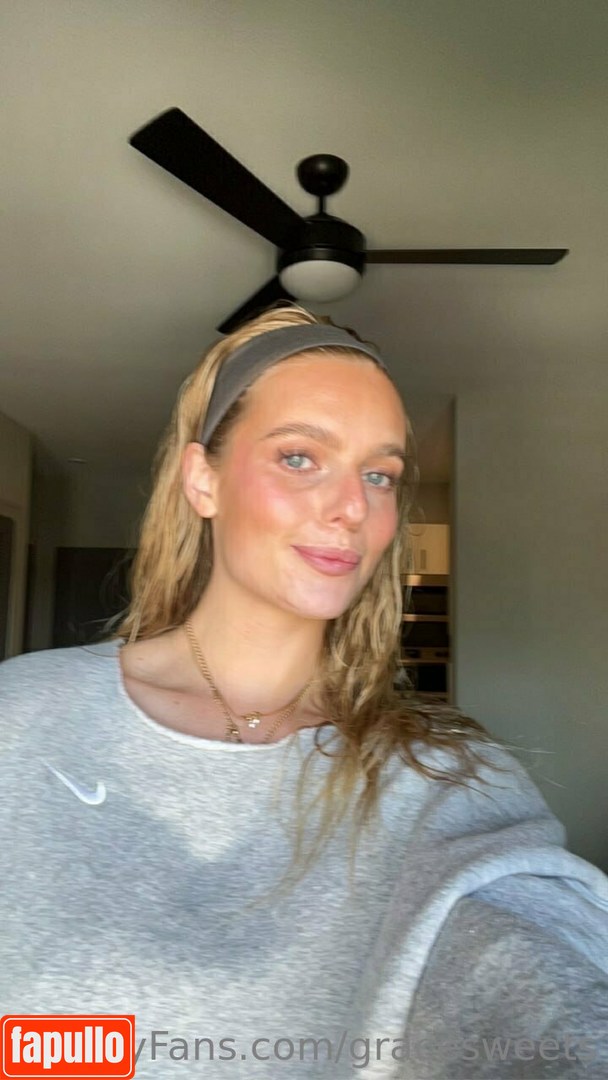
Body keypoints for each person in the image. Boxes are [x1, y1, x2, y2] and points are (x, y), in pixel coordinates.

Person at [1, 304, 607, 1079]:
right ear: (203, 479)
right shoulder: (23, 718)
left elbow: (540, 978)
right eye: (299, 458)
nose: (353, 507)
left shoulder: (448, 780)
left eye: (379, 475)